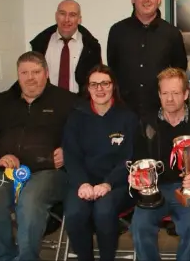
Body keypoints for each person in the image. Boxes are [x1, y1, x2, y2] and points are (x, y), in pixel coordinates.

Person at [0, 51, 77, 261]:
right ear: (18, 74)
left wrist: (68, 150)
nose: (30, 77)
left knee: (30, 202)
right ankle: (4, 257)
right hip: (7, 170)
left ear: (46, 73)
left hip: (50, 171)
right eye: (24, 72)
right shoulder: (2, 101)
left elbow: (85, 134)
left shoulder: (67, 100)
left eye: (36, 72)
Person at [129, 68, 190, 261]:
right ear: (159, 94)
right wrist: (137, 177)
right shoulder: (145, 123)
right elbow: (137, 159)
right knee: (139, 225)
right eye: (165, 93)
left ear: (186, 94)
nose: (169, 99)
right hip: (155, 189)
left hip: (189, 190)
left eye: (175, 93)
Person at [62, 65, 138, 261]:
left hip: (118, 183)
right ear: (87, 89)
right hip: (83, 182)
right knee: (75, 213)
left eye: (105, 83)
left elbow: (129, 158)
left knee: (104, 211)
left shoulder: (127, 117)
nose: (100, 89)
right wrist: (82, 183)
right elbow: (71, 157)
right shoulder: (76, 117)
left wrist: (108, 183)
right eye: (94, 84)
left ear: (113, 86)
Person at [107, 0, 187, 120]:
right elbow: (113, 69)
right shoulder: (117, 31)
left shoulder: (172, 33)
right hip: (124, 112)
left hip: (161, 114)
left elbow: (179, 73)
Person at [30, 0, 102, 93]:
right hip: (48, 103)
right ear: (56, 16)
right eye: (62, 13)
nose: (66, 19)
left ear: (79, 19)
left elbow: (97, 80)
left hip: (79, 104)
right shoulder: (40, 44)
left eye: (72, 15)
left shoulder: (92, 47)